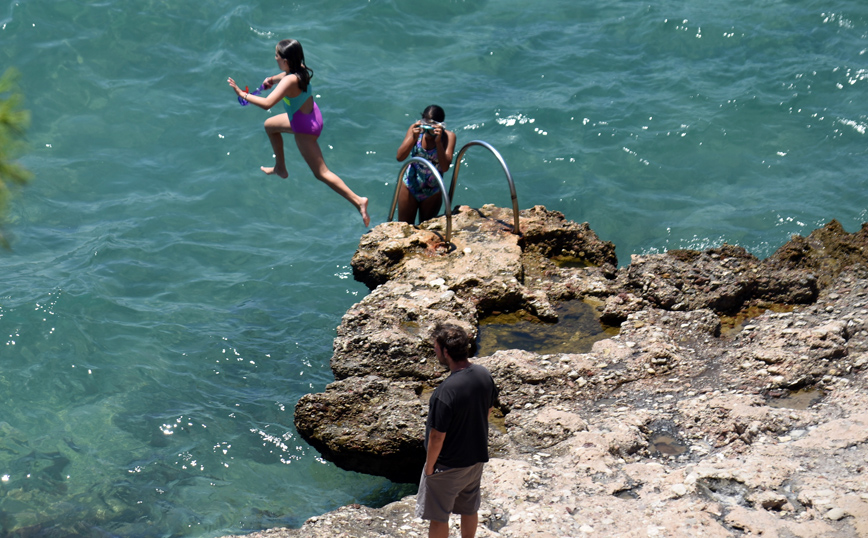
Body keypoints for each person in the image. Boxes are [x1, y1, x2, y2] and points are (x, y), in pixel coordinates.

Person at [228, 39, 370, 227]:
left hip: (304, 128)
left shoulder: (289, 81)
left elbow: (267, 104)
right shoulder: (300, 69)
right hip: (311, 116)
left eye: (277, 55)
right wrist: (272, 79)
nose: (275, 57)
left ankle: (358, 200)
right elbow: (285, 77)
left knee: (321, 173)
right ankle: (280, 167)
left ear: (286, 60)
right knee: (270, 126)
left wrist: (241, 93)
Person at [416, 323, 499, 538]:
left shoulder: (445, 392)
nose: (435, 352)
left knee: (439, 517)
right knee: (469, 509)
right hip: (475, 459)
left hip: (448, 465)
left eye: (436, 348)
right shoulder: (483, 374)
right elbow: (488, 410)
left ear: (445, 351)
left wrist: (429, 468)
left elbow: (437, 437)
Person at [396, 105, 457, 225]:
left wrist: (438, 143)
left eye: (432, 126)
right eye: (426, 125)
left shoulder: (448, 137)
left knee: (426, 229)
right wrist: (413, 138)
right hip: (410, 185)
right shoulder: (416, 130)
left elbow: (445, 167)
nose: (427, 131)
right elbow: (400, 157)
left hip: (432, 191)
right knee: (404, 227)